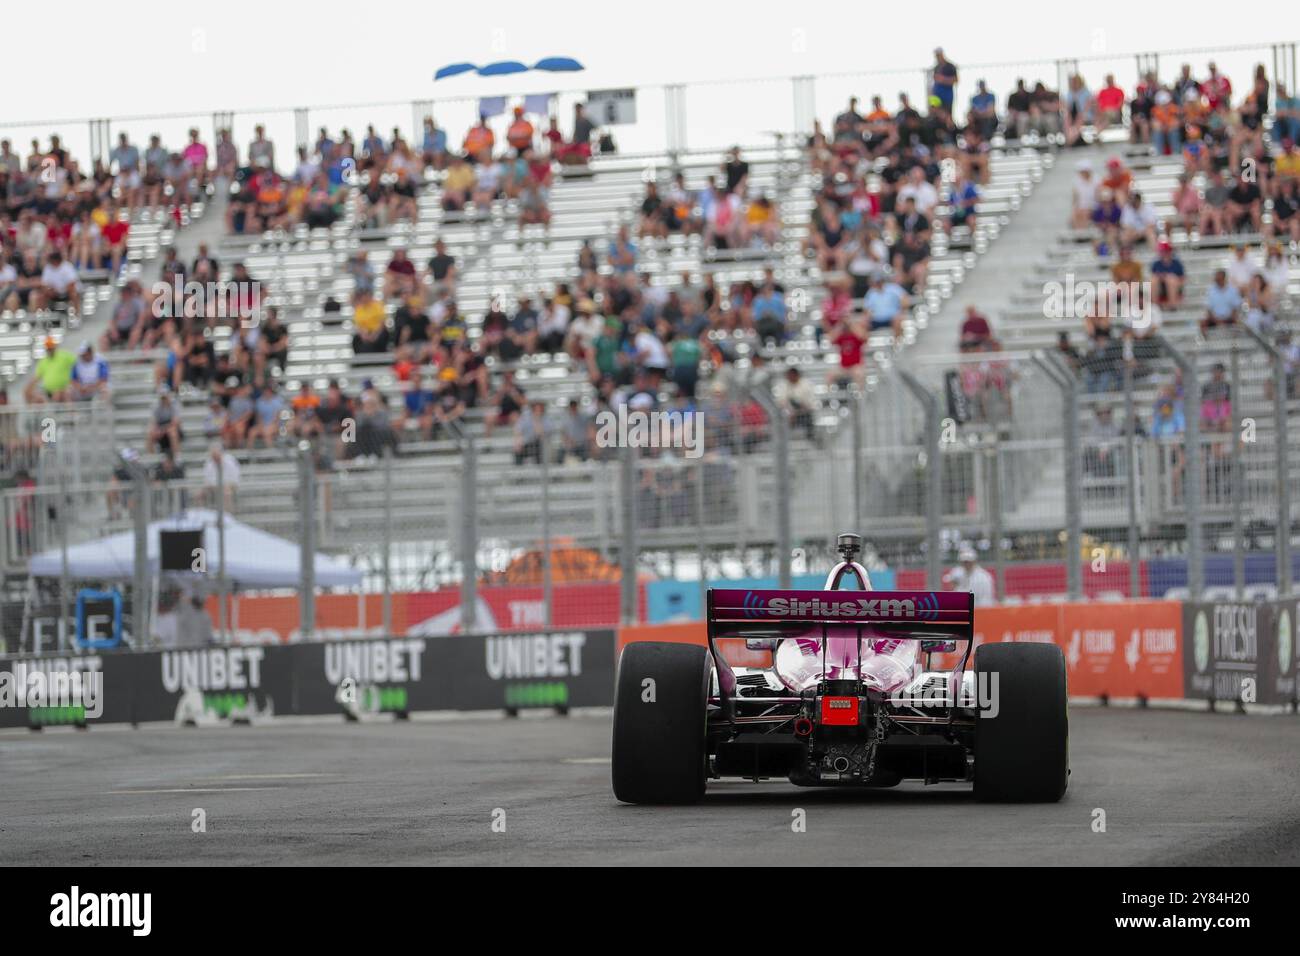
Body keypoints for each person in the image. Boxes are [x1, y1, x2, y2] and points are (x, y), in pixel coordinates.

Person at [25, 336, 76, 403]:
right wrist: (28, 389)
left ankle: (71, 412)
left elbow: (77, 365)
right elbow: (36, 377)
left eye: (51, 348)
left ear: (55, 347)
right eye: (48, 349)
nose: (50, 350)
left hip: (64, 390)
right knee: (37, 399)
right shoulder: (43, 362)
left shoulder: (64, 356)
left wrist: (73, 381)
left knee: (64, 395)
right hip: (49, 392)